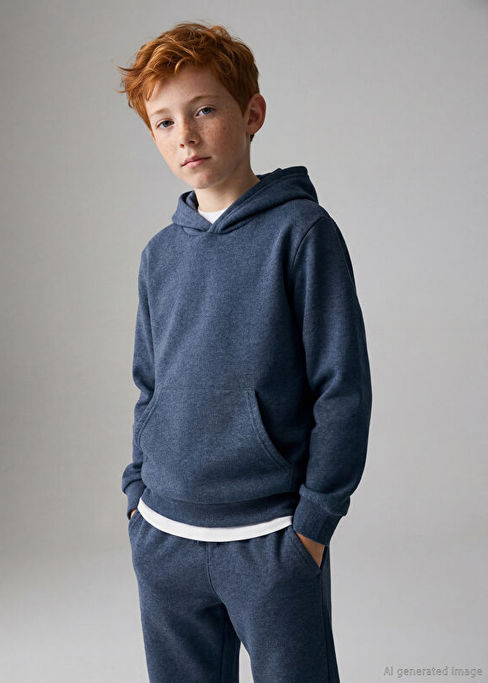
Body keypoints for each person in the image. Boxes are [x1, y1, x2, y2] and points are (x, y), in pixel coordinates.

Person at [115, 20, 372, 683]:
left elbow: (341, 388)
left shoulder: (302, 234)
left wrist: (314, 524)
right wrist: (137, 496)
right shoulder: (158, 256)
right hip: (165, 535)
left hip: (271, 540)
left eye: (204, 110)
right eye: (165, 122)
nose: (186, 134)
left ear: (252, 113)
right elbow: (150, 385)